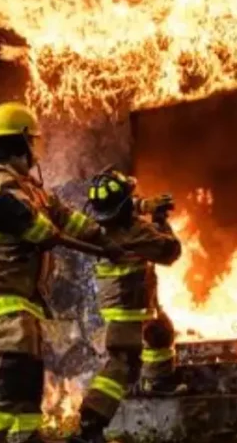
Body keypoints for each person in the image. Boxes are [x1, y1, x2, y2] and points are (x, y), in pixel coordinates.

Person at [0, 101, 128, 443]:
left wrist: (101, 236)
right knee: (10, 361)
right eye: (32, 142)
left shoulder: (28, 186)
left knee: (28, 369)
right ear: (19, 142)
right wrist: (43, 231)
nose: (36, 151)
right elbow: (15, 214)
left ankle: (25, 436)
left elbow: (62, 215)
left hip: (18, 293)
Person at [68, 168, 187, 443]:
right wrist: (159, 219)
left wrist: (144, 205)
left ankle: (158, 380)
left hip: (132, 300)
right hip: (128, 306)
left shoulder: (97, 225)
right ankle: (90, 423)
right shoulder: (136, 232)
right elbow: (170, 252)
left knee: (159, 332)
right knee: (123, 362)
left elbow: (120, 207)